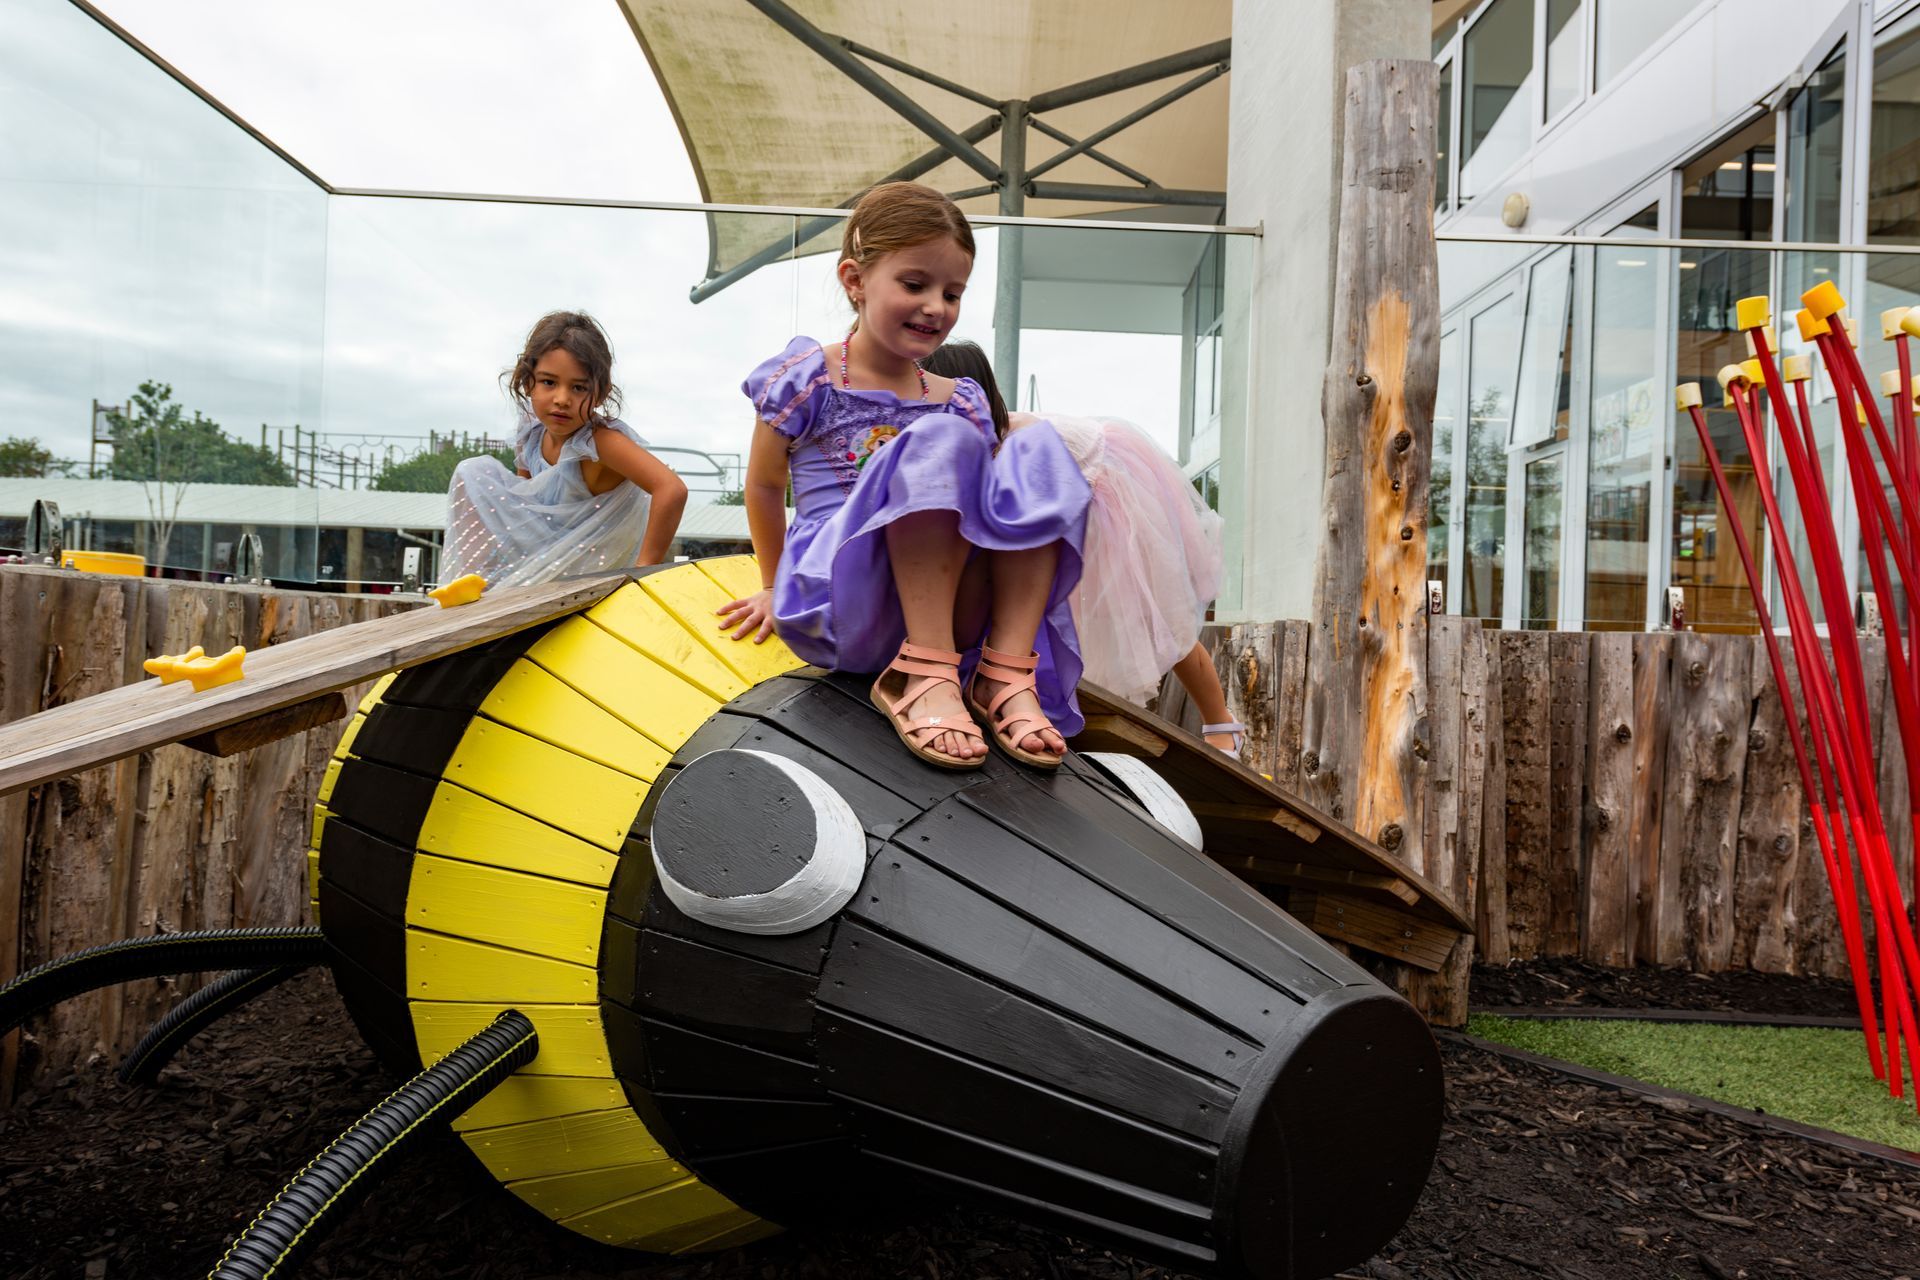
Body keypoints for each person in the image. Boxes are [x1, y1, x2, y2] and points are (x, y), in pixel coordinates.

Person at [718, 182, 1090, 772]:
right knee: (943, 441)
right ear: (855, 280)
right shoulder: (809, 378)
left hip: (946, 604)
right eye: (915, 284)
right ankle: (922, 674)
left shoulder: (961, 400)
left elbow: (993, 516)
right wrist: (770, 583)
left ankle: (1002, 674)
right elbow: (765, 484)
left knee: (1036, 446)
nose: (936, 306)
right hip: (841, 595)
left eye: (952, 292)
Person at [920, 341, 1248, 759]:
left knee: (1153, 618)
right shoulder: (967, 444)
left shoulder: (1014, 441)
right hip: (1056, 506)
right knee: (1047, 608)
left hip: (1105, 494)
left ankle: (1222, 723)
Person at [443, 311, 687, 588]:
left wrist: (643, 571)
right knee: (473, 470)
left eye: (579, 388)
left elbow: (672, 488)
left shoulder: (599, 442)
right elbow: (524, 500)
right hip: (542, 554)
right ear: (527, 382)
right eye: (549, 382)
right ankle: (478, 579)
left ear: (602, 393)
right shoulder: (531, 433)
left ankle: (495, 580)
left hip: (588, 564)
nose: (562, 399)